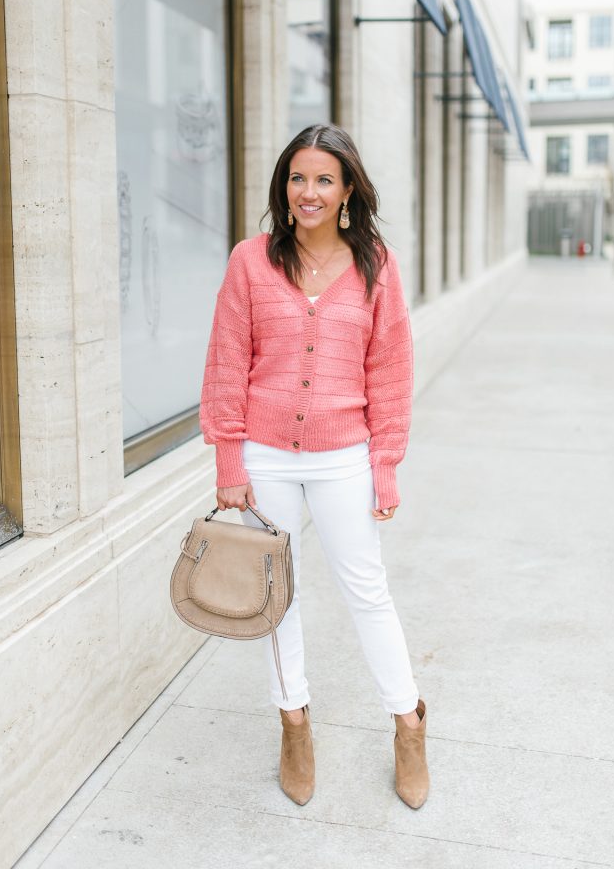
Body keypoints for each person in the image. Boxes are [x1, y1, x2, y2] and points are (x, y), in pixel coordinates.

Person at [199, 123, 428, 809]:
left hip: (344, 458)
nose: (309, 192)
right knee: (276, 596)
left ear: (348, 188)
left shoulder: (374, 265)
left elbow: (389, 373)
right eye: (298, 178)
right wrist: (229, 462)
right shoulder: (250, 261)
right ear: (284, 186)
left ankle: (408, 724)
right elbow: (225, 362)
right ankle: (293, 722)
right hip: (265, 455)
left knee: (367, 591)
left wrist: (384, 466)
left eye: (324, 179)